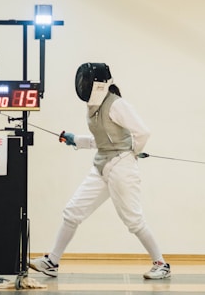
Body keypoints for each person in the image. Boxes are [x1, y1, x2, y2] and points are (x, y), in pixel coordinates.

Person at [30, 62, 171, 280]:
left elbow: (143, 132)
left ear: (98, 84)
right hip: (101, 166)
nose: (83, 85)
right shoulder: (95, 107)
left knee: (133, 220)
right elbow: (102, 141)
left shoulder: (116, 104)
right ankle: (52, 262)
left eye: (86, 81)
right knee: (73, 212)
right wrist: (75, 139)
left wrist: (133, 151)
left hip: (121, 167)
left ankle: (161, 264)